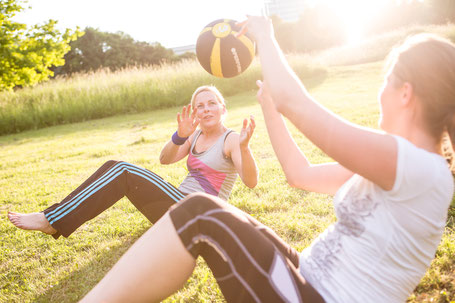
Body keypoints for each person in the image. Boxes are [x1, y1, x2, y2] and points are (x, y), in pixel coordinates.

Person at [81, 17, 455, 302]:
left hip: (318, 296)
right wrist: (272, 111)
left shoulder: (415, 166)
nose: (380, 94)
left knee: (199, 213)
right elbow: (300, 175)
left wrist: (266, 36)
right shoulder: (403, 167)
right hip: (305, 275)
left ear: (405, 93)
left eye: (385, 82)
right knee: (209, 211)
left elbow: (298, 102)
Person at [8, 85, 258, 239]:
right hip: (177, 205)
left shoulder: (232, 139)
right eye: (199, 106)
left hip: (201, 214)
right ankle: (55, 219)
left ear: (223, 108)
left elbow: (251, 182)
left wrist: (244, 148)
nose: (205, 109)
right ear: (194, 113)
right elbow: (164, 160)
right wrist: (180, 135)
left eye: (212, 103)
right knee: (113, 166)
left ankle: (52, 220)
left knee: (123, 169)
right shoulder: (195, 135)